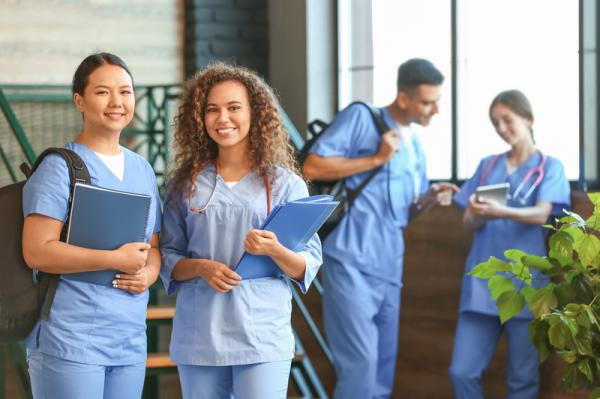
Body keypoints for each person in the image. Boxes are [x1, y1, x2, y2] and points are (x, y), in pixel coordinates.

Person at [159, 62, 322, 399]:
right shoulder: (183, 186)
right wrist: (201, 268)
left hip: (261, 330)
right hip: (201, 331)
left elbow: (306, 265)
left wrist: (275, 249)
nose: (223, 119)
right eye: (212, 110)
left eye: (234, 108)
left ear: (255, 113)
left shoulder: (285, 185)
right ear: (199, 118)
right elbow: (168, 256)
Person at [303, 58, 457, 398]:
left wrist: (428, 199)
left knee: (382, 369)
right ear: (404, 98)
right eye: (428, 101)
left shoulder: (414, 145)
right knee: (361, 364)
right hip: (349, 261)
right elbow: (311, 167)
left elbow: (404, 212)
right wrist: (375, 159)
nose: (435, 110)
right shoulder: (362, 118)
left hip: (389, 267)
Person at [21, 53, 162, 399]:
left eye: (126, 92)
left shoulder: (142, 168)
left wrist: (149, 273)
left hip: (128, 337)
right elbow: (37, 252)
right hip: (70, 336)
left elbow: (153, 246)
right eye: (103, 92)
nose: (117, 102)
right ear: (79, 100)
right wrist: (115, 259)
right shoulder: (58, 167)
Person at [448, 89, 571, 398]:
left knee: (523, 380)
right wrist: (479, 214)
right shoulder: (488, 166)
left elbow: (542, 213)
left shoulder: (550, 166)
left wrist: (500, 211)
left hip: (526, 286)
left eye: (507, 120)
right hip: (483, 286)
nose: (502, 129)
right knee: (460, 371)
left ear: (528, 118)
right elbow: (468, 221)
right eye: (495, 124)